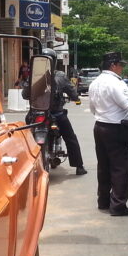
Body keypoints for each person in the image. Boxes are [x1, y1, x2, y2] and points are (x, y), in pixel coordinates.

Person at [89, 51, 128, 216]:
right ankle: (118, 206)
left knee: (104, 166)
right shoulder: (115, 83)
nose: (122, 68)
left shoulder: (95, 83)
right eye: (121, 65)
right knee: (120, 168)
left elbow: (92, 109)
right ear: (113, 65)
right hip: (116, 129)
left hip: (100, 126)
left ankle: (103, 201)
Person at [43, 48, 87, 176]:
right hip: (57, 114)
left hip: (39, 115)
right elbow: (71, 91)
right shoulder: (60, 76)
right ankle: (79, 167)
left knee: (29, 136)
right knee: (70, 138)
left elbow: (25, 94)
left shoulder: (36, 75)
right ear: (55, 61)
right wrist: (76, 99)